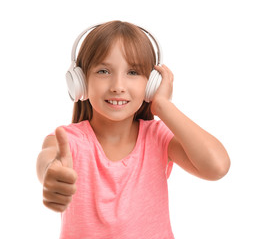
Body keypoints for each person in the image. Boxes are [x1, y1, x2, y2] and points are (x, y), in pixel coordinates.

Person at [36, 20, 230, 239]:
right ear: (80, 82)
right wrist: (51, 173)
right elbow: (48, 159)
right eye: (103, 71)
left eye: (133, 72)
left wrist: (163, 106)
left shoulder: (158, 137)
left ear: (151, 85)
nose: (118, 86)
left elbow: (217, 166)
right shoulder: (69, 141)